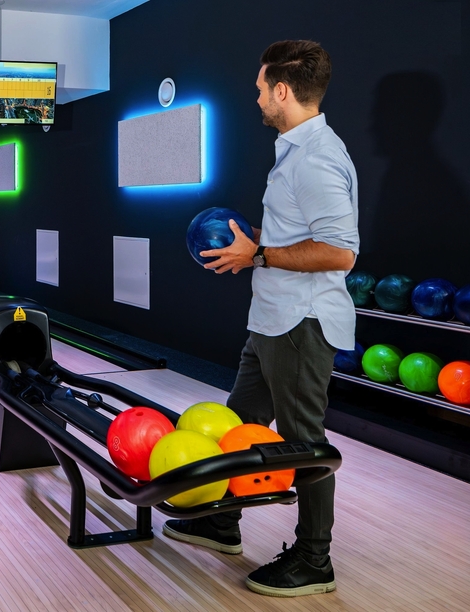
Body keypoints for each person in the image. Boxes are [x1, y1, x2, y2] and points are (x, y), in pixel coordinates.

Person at [163, 40, 359, 598]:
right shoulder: (295, 150)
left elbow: (342, 252)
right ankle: (223, 522)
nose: (254, 97)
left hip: (302, 323)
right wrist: (258, 248)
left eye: (258, 88)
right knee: (237, 423)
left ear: (282, 90)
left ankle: (314, 559)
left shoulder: (318, 157)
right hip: (272, 319)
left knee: (302, 442)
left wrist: (259, 254)